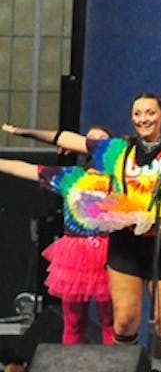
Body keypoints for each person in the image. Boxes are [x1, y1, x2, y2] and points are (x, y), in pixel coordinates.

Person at [5, 94, 161, 372]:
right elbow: (71, 141)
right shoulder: (118, 150)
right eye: (137, 113)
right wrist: (25, 132)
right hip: (126, 241)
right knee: (124, 322)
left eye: (150, 112)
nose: (143, 118)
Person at [0, 128, 115, 345]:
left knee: (110, 322)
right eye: (91, 138)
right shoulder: (69, 176)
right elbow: (24, 168)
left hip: (108, 255)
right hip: (74, 256)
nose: (96, 142)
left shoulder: (121, 180)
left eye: (102, 139)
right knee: (73, 322)